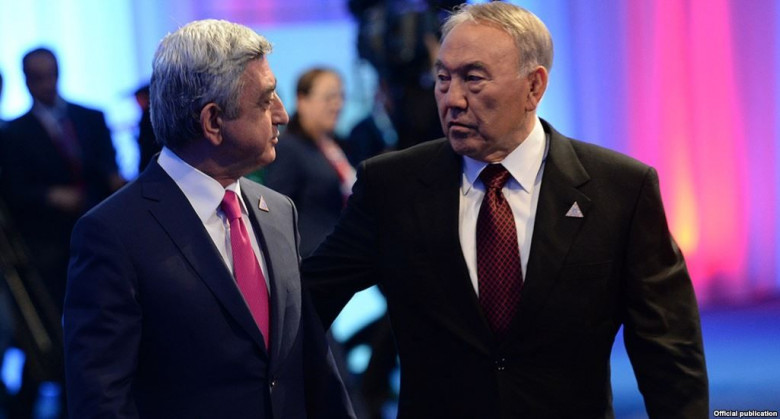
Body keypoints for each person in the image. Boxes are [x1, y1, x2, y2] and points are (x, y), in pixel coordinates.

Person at [303, 3, 708, 418]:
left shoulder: (620, 189)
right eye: (442, 78)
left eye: (473, 78)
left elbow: (669, 351)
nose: (452, 99)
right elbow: (304, 305)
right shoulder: (391, 187)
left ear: (534, 87)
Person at [63, 20, 355, 418]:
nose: (283, 115)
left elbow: (311, 362)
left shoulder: (278, 211)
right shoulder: (113, 233)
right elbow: (101, 400)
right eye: (266, 100)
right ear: (213, 121)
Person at [1, 47, 124, 419]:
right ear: (26, 81)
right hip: (48, 249)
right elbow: (13, 193)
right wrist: (50, 196)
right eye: (38, 77)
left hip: (96, 238)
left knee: (97, 327)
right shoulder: (13, 134)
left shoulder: (90, 118)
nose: (47, 84)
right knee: (53, 333)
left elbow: (107, 171)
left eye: (51, 74)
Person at [264, 68, 355, 257]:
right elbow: (275, 211)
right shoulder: (289, 148)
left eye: (341, 96)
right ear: (302, 100)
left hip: (341, 256)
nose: (337, 104)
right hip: (311, 260)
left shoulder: (336, 145)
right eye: (329, 97)